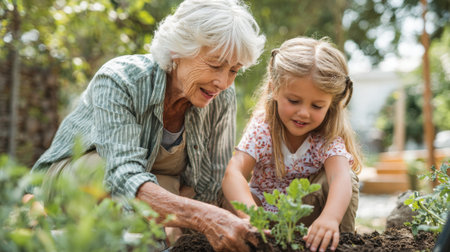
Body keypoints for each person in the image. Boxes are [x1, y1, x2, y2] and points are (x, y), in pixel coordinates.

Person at [24, 0, 265, 251]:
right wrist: (201, 216)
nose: (223, 82)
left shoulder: (221, 96)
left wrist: (247, 225)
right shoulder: (120, 80)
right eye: (215, 65)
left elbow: (211, 182)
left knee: (168, 191)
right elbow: (122, 176)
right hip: (81, 180)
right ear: (178, 50)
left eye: (234, 70)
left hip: (152, 190)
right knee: (101, 170)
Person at [222, 37, 362, 252]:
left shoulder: (327, 138)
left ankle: (339, 243)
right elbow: (234, 171)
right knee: (226, 190)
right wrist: (252, 217)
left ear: (331, 105)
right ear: (274, 89)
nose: (304, 113)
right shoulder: (263, 128)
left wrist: (330, 218)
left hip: (307, 224)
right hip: (263, 223)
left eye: (317, 105)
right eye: (294, 101)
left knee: (348, 177)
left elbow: (340, 177)